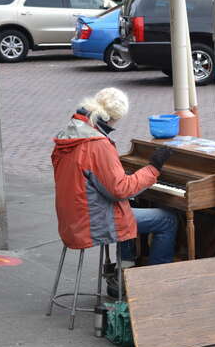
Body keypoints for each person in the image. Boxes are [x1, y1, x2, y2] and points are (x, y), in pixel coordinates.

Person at [51, 88, 178, 279]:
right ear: (113, 117)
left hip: (72, 218)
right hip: (93, 222)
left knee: (128, 207)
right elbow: (120, 189)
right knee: (168, 219)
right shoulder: (97, 144)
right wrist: (153, 168)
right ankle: (155, 281)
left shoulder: (70, 134)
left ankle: (124, 270)